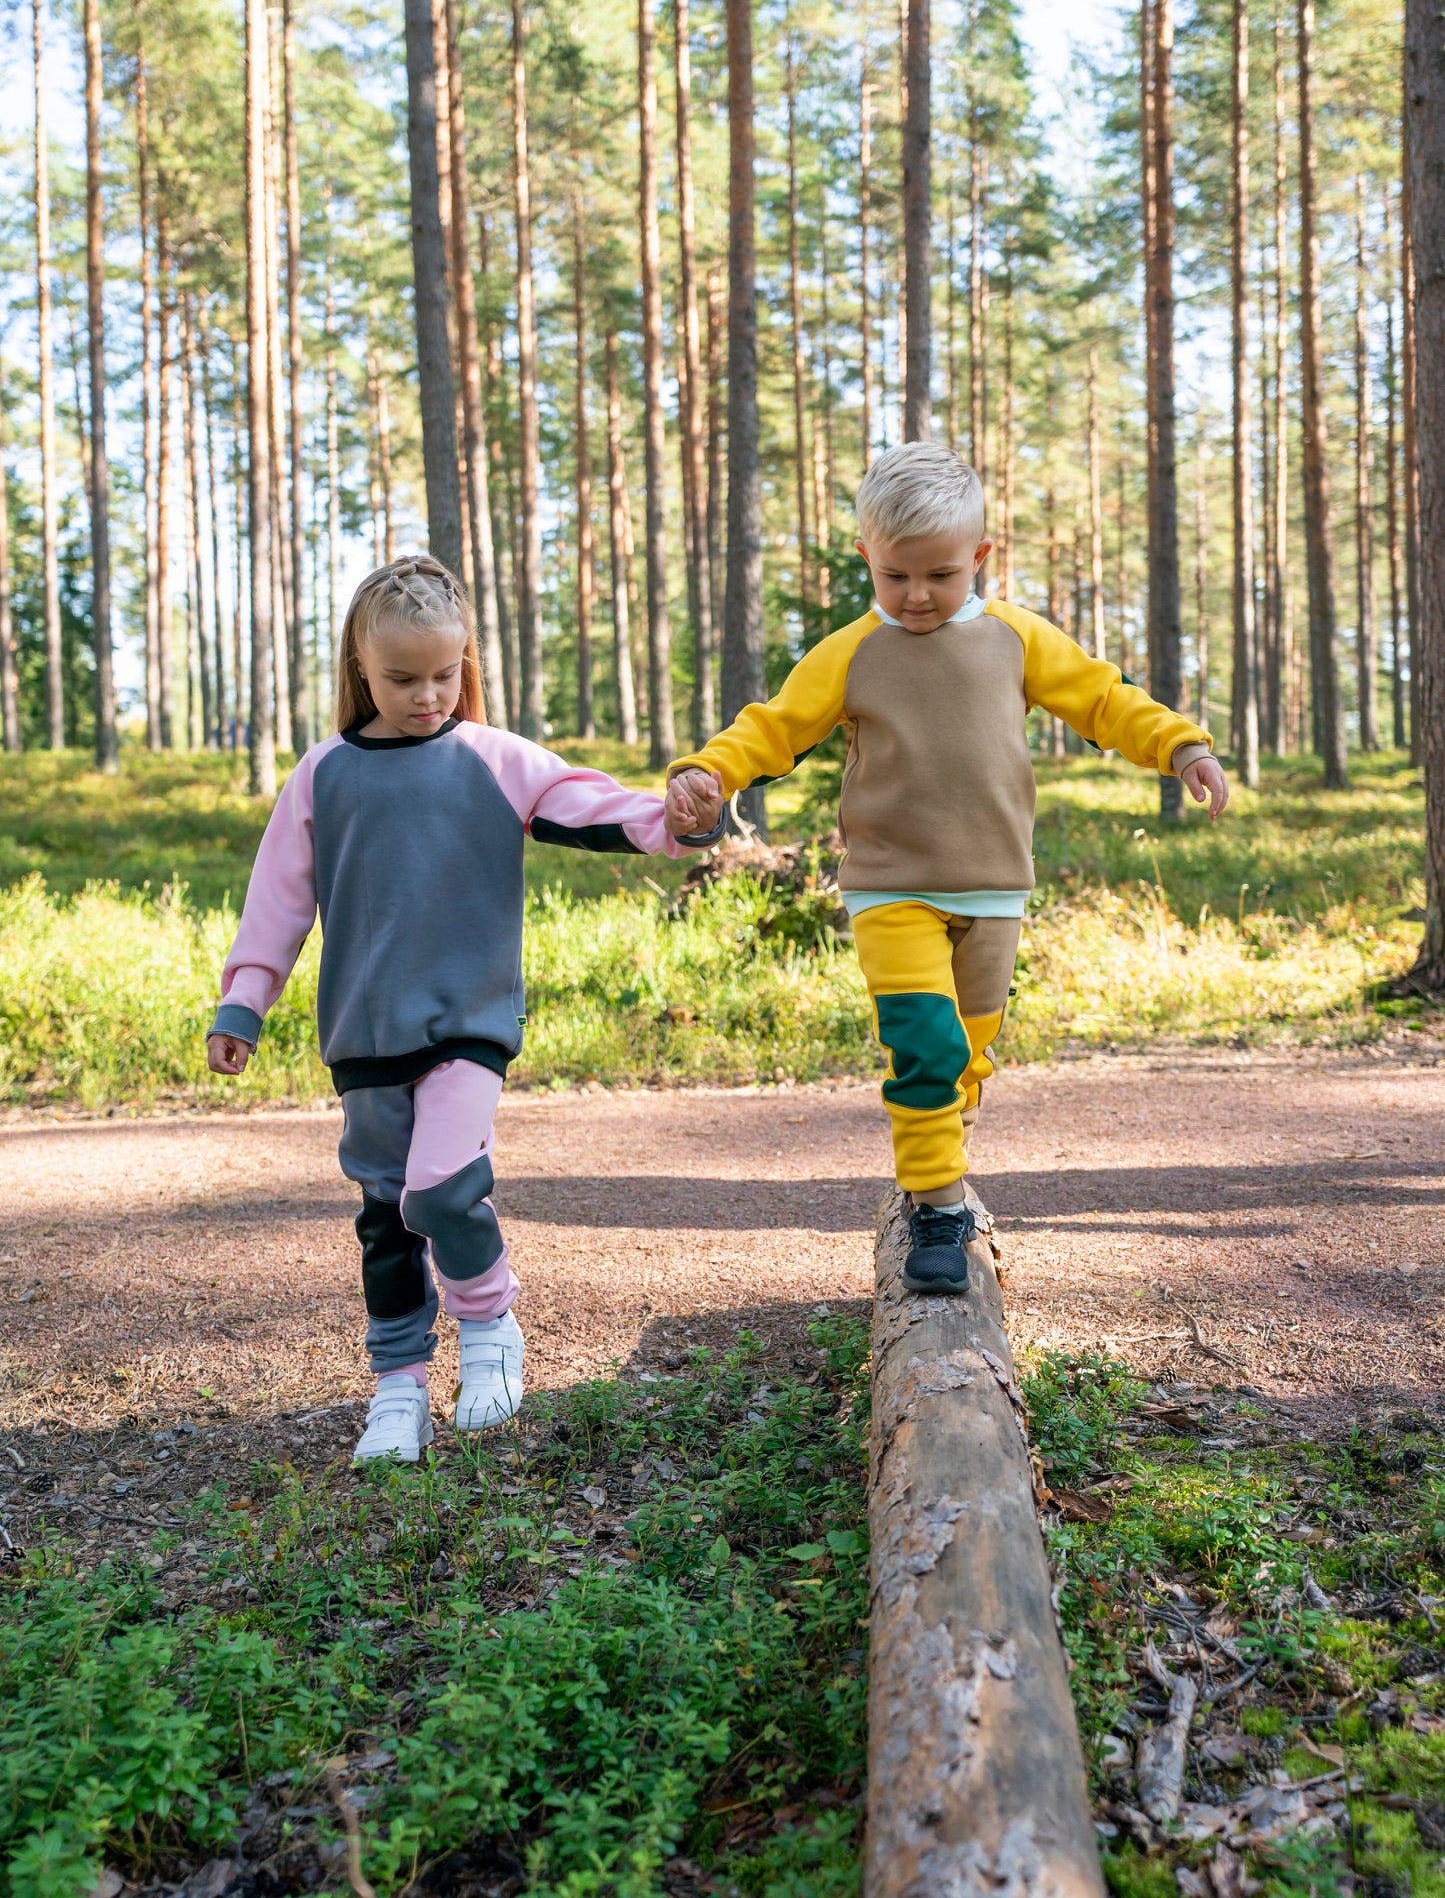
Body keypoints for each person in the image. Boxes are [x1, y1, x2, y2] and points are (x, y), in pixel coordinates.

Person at [662, 441, 1229, 1297]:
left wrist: (1180, 744)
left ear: (979, 558)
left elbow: (1104, 700)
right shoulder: (850, 652)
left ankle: (942, 1131)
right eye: (895, 577)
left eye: (938, 574)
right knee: (923, 1047)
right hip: (890, 886)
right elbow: (772, 727)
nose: (917, 595)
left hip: (995, 885)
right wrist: (708, 772)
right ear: (867, 559)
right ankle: (934, 1207)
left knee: (968, 1048)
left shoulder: (1014, 638)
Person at [207, 555, 719, 1464]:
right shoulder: (323, 774)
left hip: (469, 1024)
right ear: (361, 668)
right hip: (364, 1033)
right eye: (404, 678)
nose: (428, 694)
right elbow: (277, 902)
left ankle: (489, 1327)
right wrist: (244, 1002)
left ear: (465, 662)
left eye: (445, 673)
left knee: (440, 1188)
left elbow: (597, 810)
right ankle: (398, 1386)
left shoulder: (495, 758)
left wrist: (676, 817)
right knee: (386, 1215)